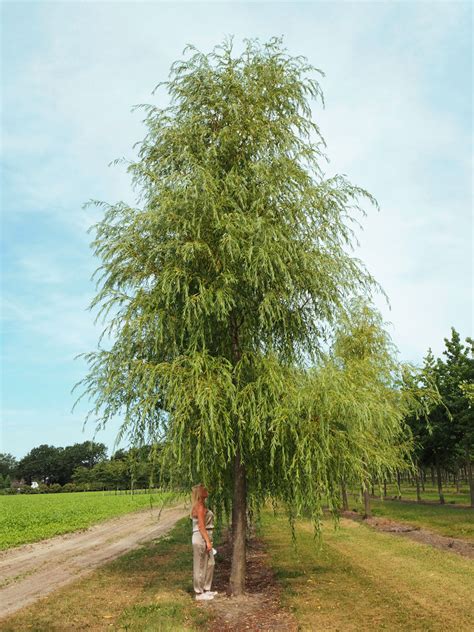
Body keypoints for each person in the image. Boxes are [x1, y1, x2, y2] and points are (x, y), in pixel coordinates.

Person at [191, 483, 216, 601]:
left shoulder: (202, 505)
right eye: (204, 489)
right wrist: (208, 542)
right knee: (200, 565)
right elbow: (201, 526)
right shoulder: (199, 506)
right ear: (199, 492)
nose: (207, 490)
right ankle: (199, 592)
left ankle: (206, 589)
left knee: (210, 563)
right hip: (201, 536)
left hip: (205, 536)